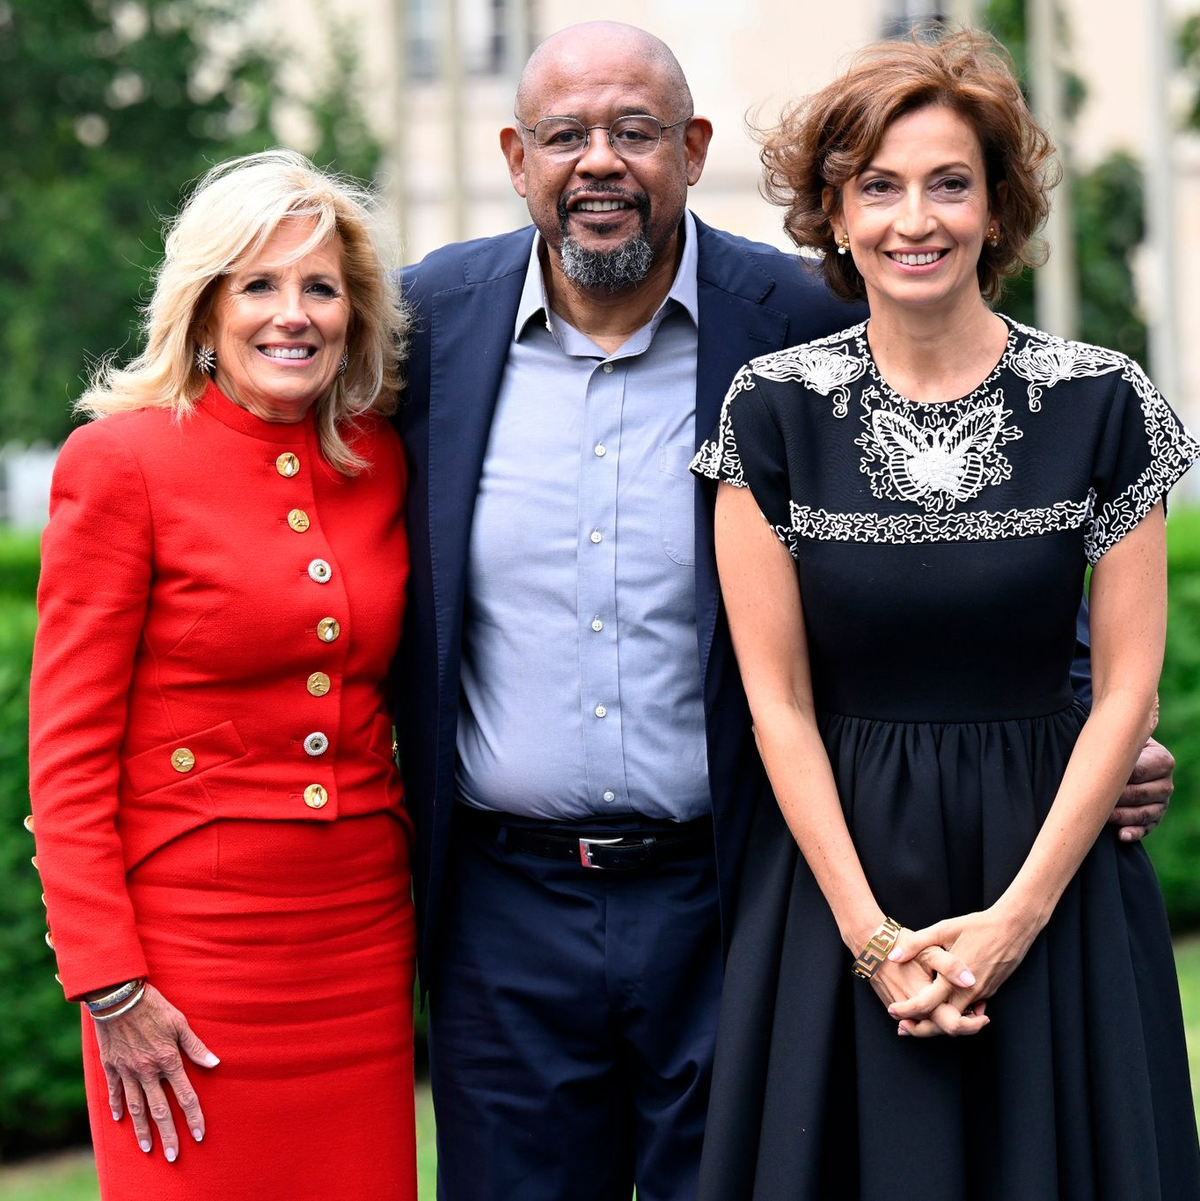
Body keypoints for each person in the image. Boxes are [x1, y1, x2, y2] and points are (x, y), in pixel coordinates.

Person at [396, 22, 1176, 1200]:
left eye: (636, 131)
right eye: (566, 135)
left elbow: (998, 563)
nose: (599, 160)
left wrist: (1084, 731)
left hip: (733, 885)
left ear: (693, 148)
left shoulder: (788, 324)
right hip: (521, 903)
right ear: (516, 156)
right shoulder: (427, 324)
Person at [692, 30, 1200, 1200]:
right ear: (833, 209)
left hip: (1053, 873)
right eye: (877, 185)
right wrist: (875, 941)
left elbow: (1128, 688)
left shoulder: (1101, 400)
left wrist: (1013, 921)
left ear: (997, 206)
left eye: (948, 183)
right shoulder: (770, 412)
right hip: (838, 884)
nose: (912, 219)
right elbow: (777, 699)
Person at [27, 150, 417, 1200]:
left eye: (320, 287)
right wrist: (109, 985)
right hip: (188, 957)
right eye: (259, 284)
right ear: (204, 311)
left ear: (354, 314)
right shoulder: (122, 462)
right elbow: (64, 758)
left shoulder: (381, 456)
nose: (292, 314)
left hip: (360, 938)